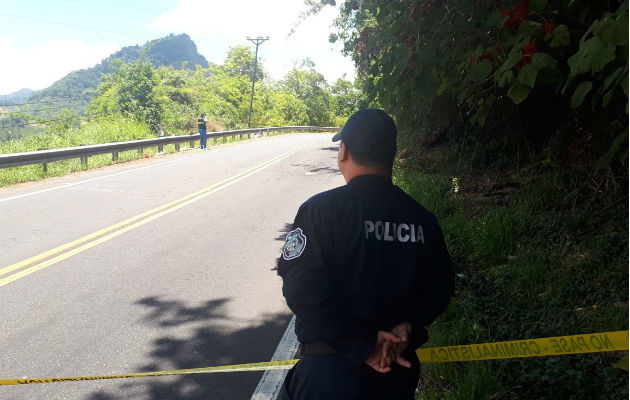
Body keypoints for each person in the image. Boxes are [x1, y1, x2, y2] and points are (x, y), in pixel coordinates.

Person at [277, 108, 454, 400]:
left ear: (343, 151)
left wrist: (362, 348)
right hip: (395, 375)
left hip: (329, 374)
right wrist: (407, 324)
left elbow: (302, 291)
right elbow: (441, 288)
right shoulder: (423, 219)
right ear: (392, 155)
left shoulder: (321, 211)